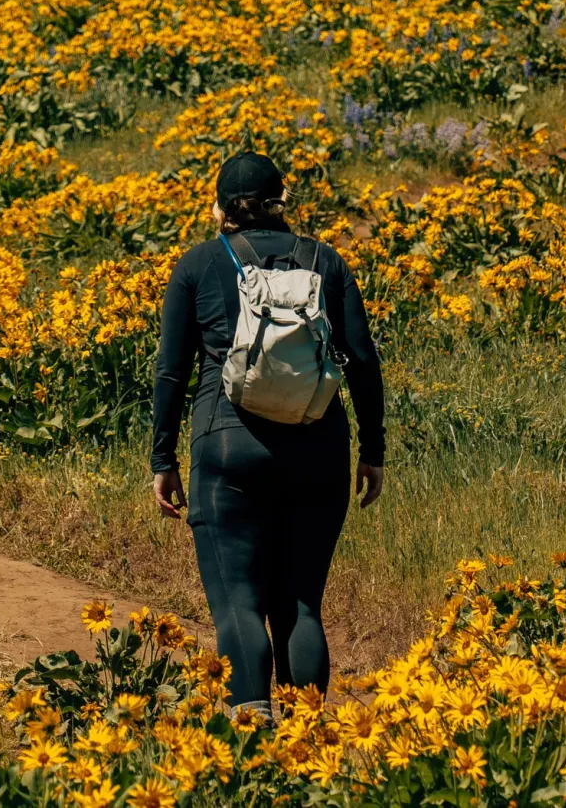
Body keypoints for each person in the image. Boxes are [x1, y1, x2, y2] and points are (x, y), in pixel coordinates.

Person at [149, 151, 385, 717]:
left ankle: (254, 745)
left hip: (228, 450)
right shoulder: (325, 261)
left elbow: (171, 371)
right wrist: (373, 451)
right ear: (282, 203)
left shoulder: (200, 264)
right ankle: (308, 745)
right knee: (301, 605)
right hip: (318, 449)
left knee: (240, 606)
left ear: (220, 209)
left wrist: (163, 459)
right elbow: (362, 362)